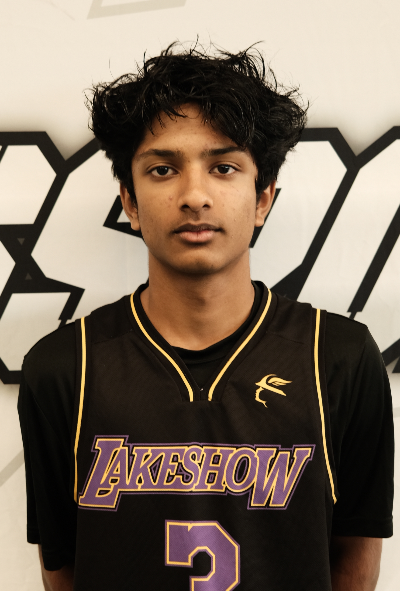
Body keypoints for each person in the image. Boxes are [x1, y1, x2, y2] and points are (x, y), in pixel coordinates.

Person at [18, 43, 394, 591]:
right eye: (163, 169)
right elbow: (62, 564)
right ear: (130, 201)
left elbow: (355, 554)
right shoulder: (62, 367)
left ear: (263, 197)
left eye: (223, 167)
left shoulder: (338, 356)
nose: (195, 195)